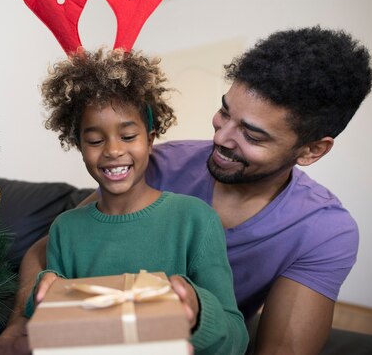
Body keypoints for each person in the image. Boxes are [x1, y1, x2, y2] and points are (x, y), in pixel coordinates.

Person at [0, 26, 372, 355]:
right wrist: (18, 325)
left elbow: (279, 347)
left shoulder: (324, 231)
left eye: (252, 134)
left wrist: (195, 312)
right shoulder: (162, 162)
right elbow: (49, 248)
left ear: (312, 150)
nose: (220, 138)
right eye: (225, 112)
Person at [24, 47, 248, 354]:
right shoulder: (66, 228)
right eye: (94, 140)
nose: (113, 150)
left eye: (128, 136)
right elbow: (56, 333)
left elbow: (235, 338)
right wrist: (44, 293)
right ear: (78, 145)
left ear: (151, 139)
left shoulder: (194, 219)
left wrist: (197, 311)